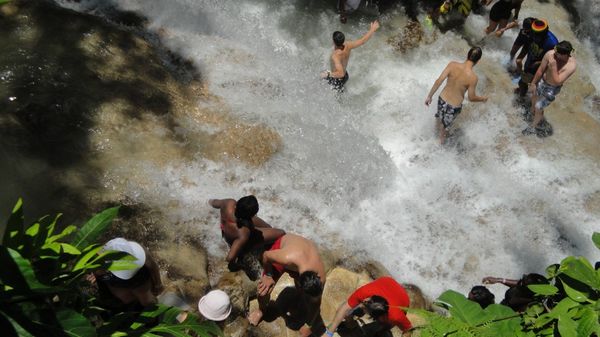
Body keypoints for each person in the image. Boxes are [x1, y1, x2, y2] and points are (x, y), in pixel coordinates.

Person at [248, 233, 326, 336]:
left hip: (301, 256)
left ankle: (298, 296)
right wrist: (268, 275)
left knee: (309, 297)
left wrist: (308, 325)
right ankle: (261, 310)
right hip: (283, 249)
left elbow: (316, 302)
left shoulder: (320, 278)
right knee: (263, 291)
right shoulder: (286, 257)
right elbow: (266, 255)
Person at [424, 47, 488, 144]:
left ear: (467, 55)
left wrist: (429, 96)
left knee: (438, 119)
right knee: (444, 130)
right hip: (453, 107)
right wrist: (483, 98)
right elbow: (471, 97)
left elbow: (439, 81)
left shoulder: (452, 65)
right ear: (478, 61)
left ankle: (431, 139)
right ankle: (438, 148)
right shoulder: (473, 78)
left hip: (442, 99)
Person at [209, 196, 285, 275]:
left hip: (227, 228)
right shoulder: (244, 233)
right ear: (251, 215)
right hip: (238, 237)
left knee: (267, 227)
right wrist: (238, 265)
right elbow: (230, 257)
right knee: (281, 233)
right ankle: (264, 253)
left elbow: (213, 202)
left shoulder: (229, 203)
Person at [322, 276, 412, 337]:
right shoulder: (365, 293)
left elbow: (408, 330)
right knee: (349, 311)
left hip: (403, 299)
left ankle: (381, 331)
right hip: (387, 282)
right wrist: (329, 333)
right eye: (365, 304)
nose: (365, 301)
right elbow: (344, 308)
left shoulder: (395, 315)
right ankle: (352, 319)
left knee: (385, 326)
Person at [92, 238, 164, 308]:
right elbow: (94, 269)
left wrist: (158, 284)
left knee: (147, 301)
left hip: (139, 276)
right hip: (115, 278)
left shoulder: (140, 251)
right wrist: (94, 275)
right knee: (126, 299)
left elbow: (152, 266)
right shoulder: (100, 261)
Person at [523, 40, 576, 135]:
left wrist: (554, 66)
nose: (554, 54)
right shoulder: (550, 54)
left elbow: (558, 81)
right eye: (555, 51)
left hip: (552, 88)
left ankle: (532, 127)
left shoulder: (571, 65)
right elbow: (541, 70)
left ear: (565, 55)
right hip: (542, 81)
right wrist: (533, 83)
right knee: (533, 97)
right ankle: (532, 112)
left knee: (539, 106)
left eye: (557, 54)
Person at [321, 20, 380, 92]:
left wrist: (328, 74)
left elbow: (340, 73)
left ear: (333, 41)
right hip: (345, 76)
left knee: (327, 88)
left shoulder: (335, 56)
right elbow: (362, 41)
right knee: (339, 94)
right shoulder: (348, 45)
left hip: (337, 79)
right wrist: (372, 29)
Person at [516, 19, 558, 98]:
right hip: (530, 61)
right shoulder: (533, 32)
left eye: (536, 34)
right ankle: (524, 91)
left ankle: (521, 99)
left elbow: (554, 61)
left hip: (539, 68)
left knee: (524, 83)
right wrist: (520, 57)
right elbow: (527, 45)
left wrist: (537, 63)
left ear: (544, 33)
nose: (534, 36)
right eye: (533, 33)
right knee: (524, 82)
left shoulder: (552, 43)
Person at [482, 273, 548, 312]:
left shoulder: (528, 307)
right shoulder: (522, 287)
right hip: (501, 307)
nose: (519, 282)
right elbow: (518, 283)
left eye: (523, 282)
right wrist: (498, 280)